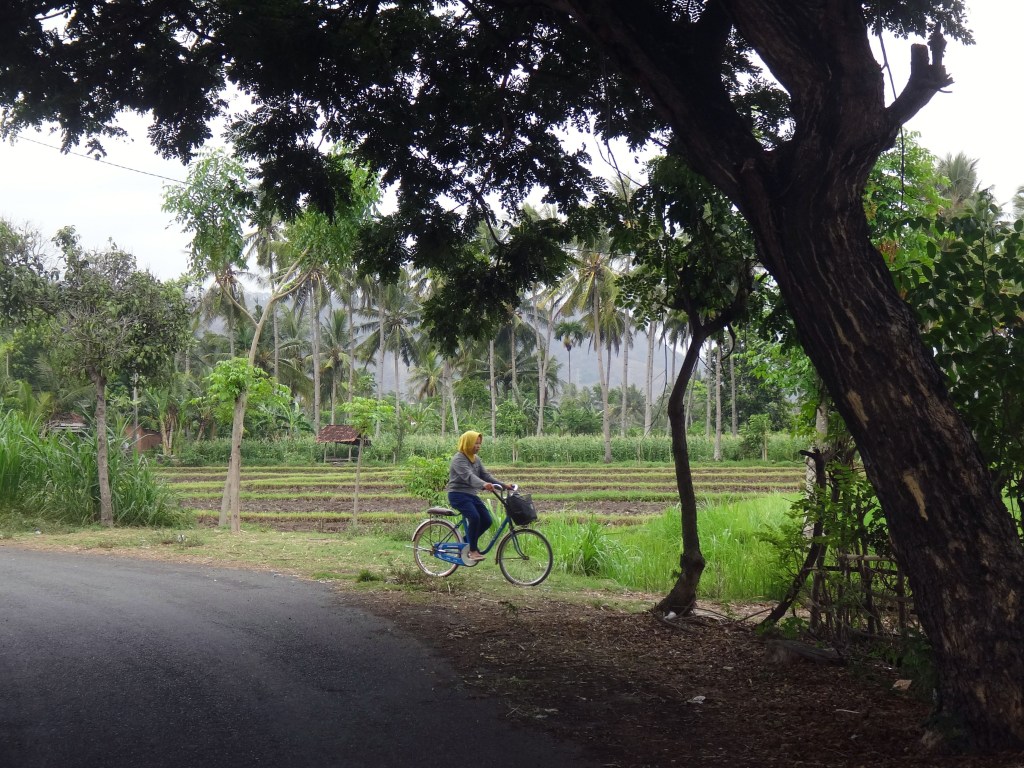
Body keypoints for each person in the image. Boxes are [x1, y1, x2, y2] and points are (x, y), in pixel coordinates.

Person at [446, 430, 508, 561]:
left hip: (471, 495)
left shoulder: (476, 459)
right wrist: (483, 484)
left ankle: (465, 543)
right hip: (457, 495)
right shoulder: (458, 459)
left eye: (479, 443)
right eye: (475, 443)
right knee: (474, 517)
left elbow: (485, 475)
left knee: (487, 520)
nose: (478, 446)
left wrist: (504, 485)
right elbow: (469, 476)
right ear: (467, 443)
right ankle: (472, 550)